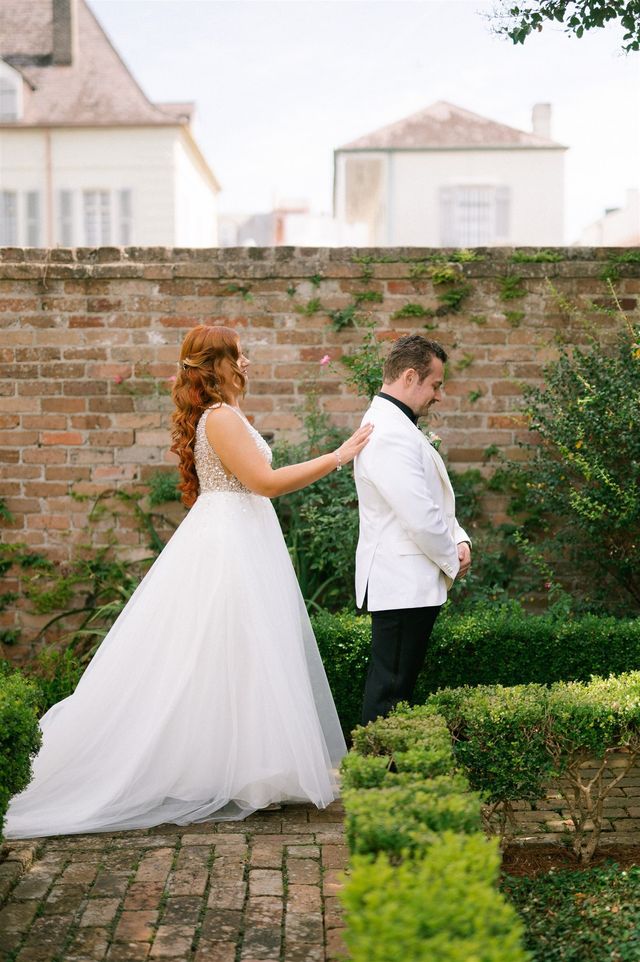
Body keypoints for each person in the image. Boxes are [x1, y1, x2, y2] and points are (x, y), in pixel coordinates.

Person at [5, 324, 372, 838]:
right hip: (228, 545)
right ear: (215, 365)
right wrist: (338, 455)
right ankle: (238, 775)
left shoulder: (229, 414)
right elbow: (264, 484)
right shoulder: (220, 418)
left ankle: (251, 772)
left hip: (240, 537)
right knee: (230, 649)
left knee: (243, 654)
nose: (247, 362)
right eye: (238, 355)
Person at [354, 334, 471, 726]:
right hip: (401, 580)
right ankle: (374, 779)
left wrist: (459, 536)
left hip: (408, 580)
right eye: (435, 385)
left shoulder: (395, 424)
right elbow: (418, 515)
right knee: (390, 691)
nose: (438, 395)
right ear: (409, 376)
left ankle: (384, 775)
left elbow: (430, 499)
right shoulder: (386, 432)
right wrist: (450, 558)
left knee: (397, 688)